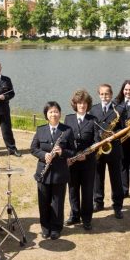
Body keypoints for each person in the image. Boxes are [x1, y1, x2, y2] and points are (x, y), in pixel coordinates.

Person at [31, 101, 76, 240]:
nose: (54, 114)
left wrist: (62, 152)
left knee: (57, 201)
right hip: (43, 172)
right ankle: (45, 227)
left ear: (60, 113)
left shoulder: (67, 130)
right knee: (43, 201)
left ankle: (56, 227)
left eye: (56, 111)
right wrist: (44, 155)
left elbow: (73, 151)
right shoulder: (40, 130)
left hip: (59, 172)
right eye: (51, 112)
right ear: (46, 115)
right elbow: (33, 149)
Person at [89, 84, 124, 219]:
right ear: (99, 95)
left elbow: (123, 128)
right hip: (99, 148)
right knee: (98, 177)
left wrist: (112, 134)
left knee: (116, 179)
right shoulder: (93, 110)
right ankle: (98, 202)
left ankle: (117, 206)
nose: (105, 96)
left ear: (111, 94)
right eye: (102, 94)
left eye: (107, 94)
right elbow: (91, 128)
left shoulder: (119, 109)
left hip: (114, 148)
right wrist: (98, 137)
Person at [63, 90, 96, 230]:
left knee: (87, 191)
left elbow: (96, 142)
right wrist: (68, 156)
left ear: (88, 105)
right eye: (79, 103)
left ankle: (87, 218)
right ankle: (74, 215)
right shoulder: (68, 119)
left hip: (88, 163)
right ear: (75, 104)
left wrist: (86, 155)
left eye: (84, 103)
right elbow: (64, 141)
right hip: (72, 162)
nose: (81, 105)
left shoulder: (93, 120)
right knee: (73, 189)